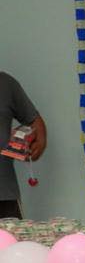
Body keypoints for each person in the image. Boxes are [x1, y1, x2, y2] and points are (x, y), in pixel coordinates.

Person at [0, 72, 46, 219]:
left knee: (12, 242)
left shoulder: (6, 83)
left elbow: (36, 124)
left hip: (4, 195)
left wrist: (36, 144)